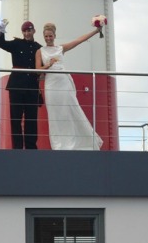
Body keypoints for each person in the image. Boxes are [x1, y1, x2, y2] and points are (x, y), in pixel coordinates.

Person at [35, 22, 104, 150]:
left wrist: (96, 31)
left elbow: (78, 40)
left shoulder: (61, 48)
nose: (48, 38)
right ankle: (59, 145)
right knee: (55, 114)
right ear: (43, 36)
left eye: (50, 36)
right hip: (51, 84)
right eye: (46, 36)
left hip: (63, 82)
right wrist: (48, 65)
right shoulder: (40, 51)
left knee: (71, 110)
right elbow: (38, 70)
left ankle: (82, 142)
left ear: (54, 35)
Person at [0, 20, 42, 149]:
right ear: (22, 32)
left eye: (29, 30)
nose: (27, 33)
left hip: (32, 87)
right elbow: (1, 43)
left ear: (34, 31)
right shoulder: (17, 44)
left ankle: (31, 148)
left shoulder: (39, 47)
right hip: (16, 86)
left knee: (31, 119)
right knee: (15, 118)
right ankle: (17, 148)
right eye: (25, 31)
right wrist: (1, 31)